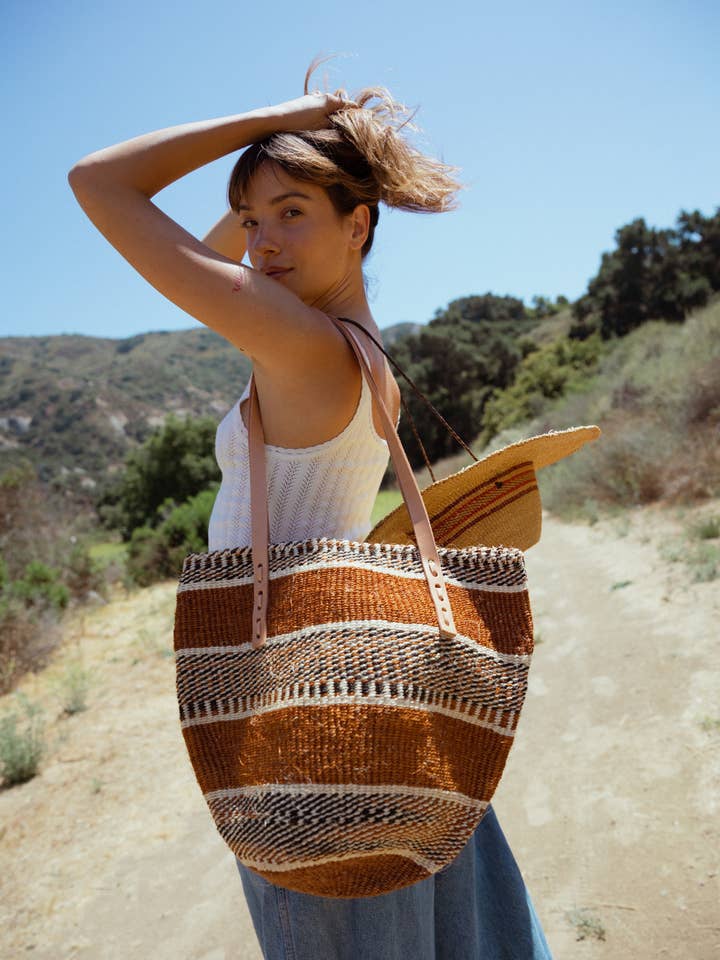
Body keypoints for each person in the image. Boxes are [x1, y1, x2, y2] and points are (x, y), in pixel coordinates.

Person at [69, 53, 553, 960]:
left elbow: (98, 182)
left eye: (293, 214)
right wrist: (277, 174)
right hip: (374, 682)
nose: (262, 243)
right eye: (254, 220)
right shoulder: (355, 343)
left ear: (358, 223)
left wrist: (272, 120)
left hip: (306, 713)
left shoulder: (303, 345)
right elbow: (212, 257)